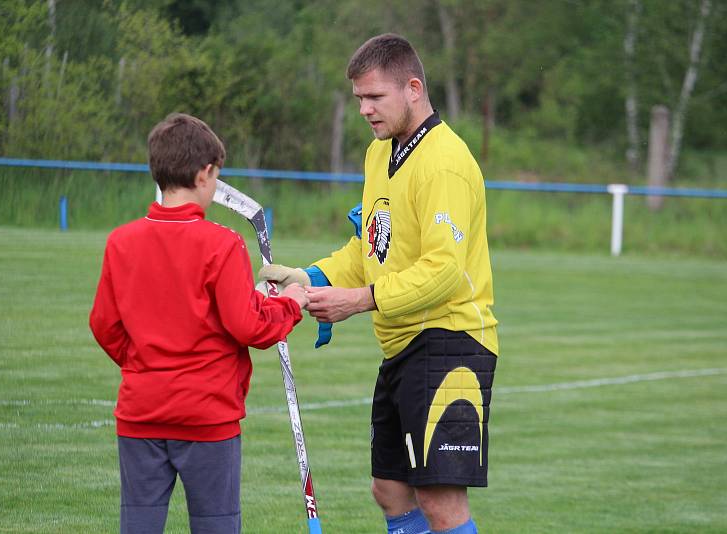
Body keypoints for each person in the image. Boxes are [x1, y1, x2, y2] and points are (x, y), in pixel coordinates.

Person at [260, 34, 498, 534]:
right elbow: (372, 247)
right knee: (389, 491)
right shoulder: (379, 154)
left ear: (413, 88)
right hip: (402, 346)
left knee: (439, 501)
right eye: (359, 100)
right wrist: (310, 278)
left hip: (450, 343)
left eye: (375, 97)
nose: (365, 110)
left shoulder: (445, 162)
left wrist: (360, 301)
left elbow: (443, 271)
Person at [89, 113, 308, 534]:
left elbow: (104, 324)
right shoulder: (223, 244)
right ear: (206, 174)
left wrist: (143, 364)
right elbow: (249, 326)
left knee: (138, 524)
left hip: (142, 411)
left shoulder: (121, 241)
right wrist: (291, 305)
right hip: (208, 418)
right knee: (216, 525)